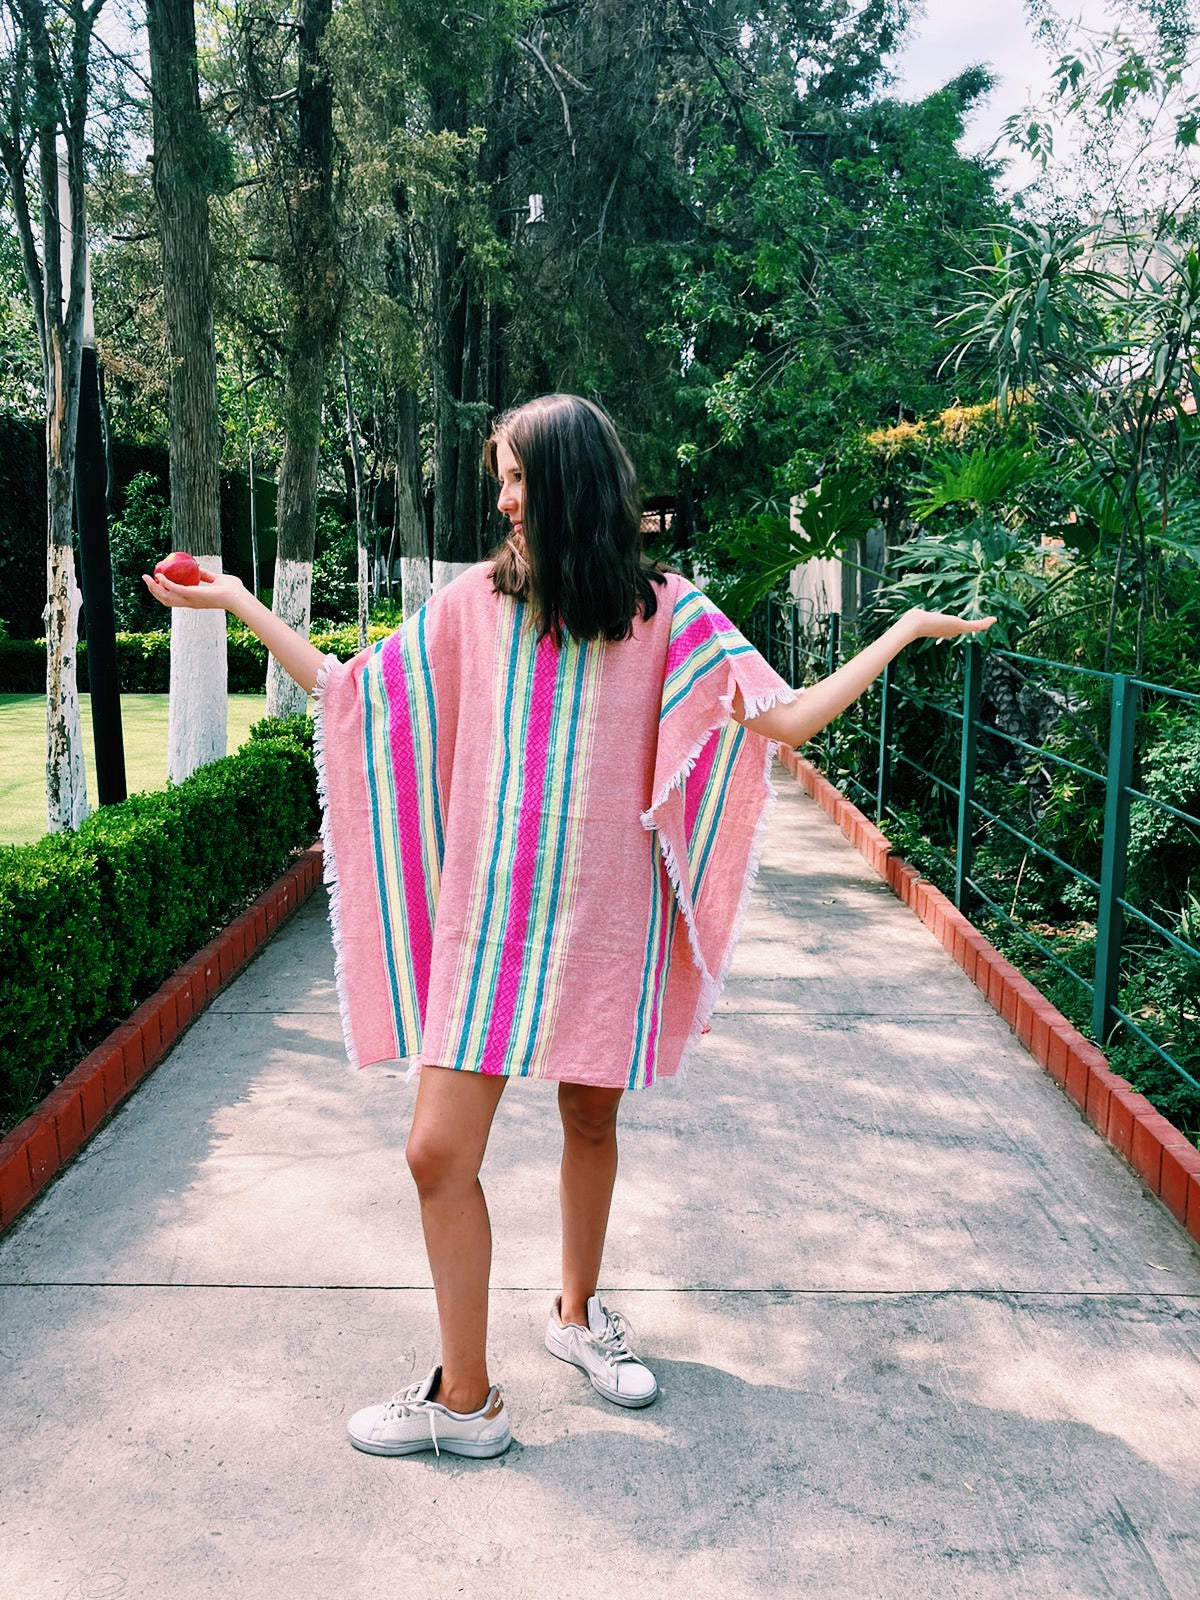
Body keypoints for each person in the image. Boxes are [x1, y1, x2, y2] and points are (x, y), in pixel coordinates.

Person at [145, 392, 994, 1462]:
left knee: (591, 1120)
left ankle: (577, 1316)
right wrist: (234, 602)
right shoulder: (471, 607)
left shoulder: (670, 614)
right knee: (434, 1153)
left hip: (605, 927)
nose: (500, 496)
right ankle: (467, 1398)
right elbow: (360, 692)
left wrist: (904, 631)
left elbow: (781, 719)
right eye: (499, 475)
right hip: (488, 932)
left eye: (514, 475)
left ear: (569, 485)